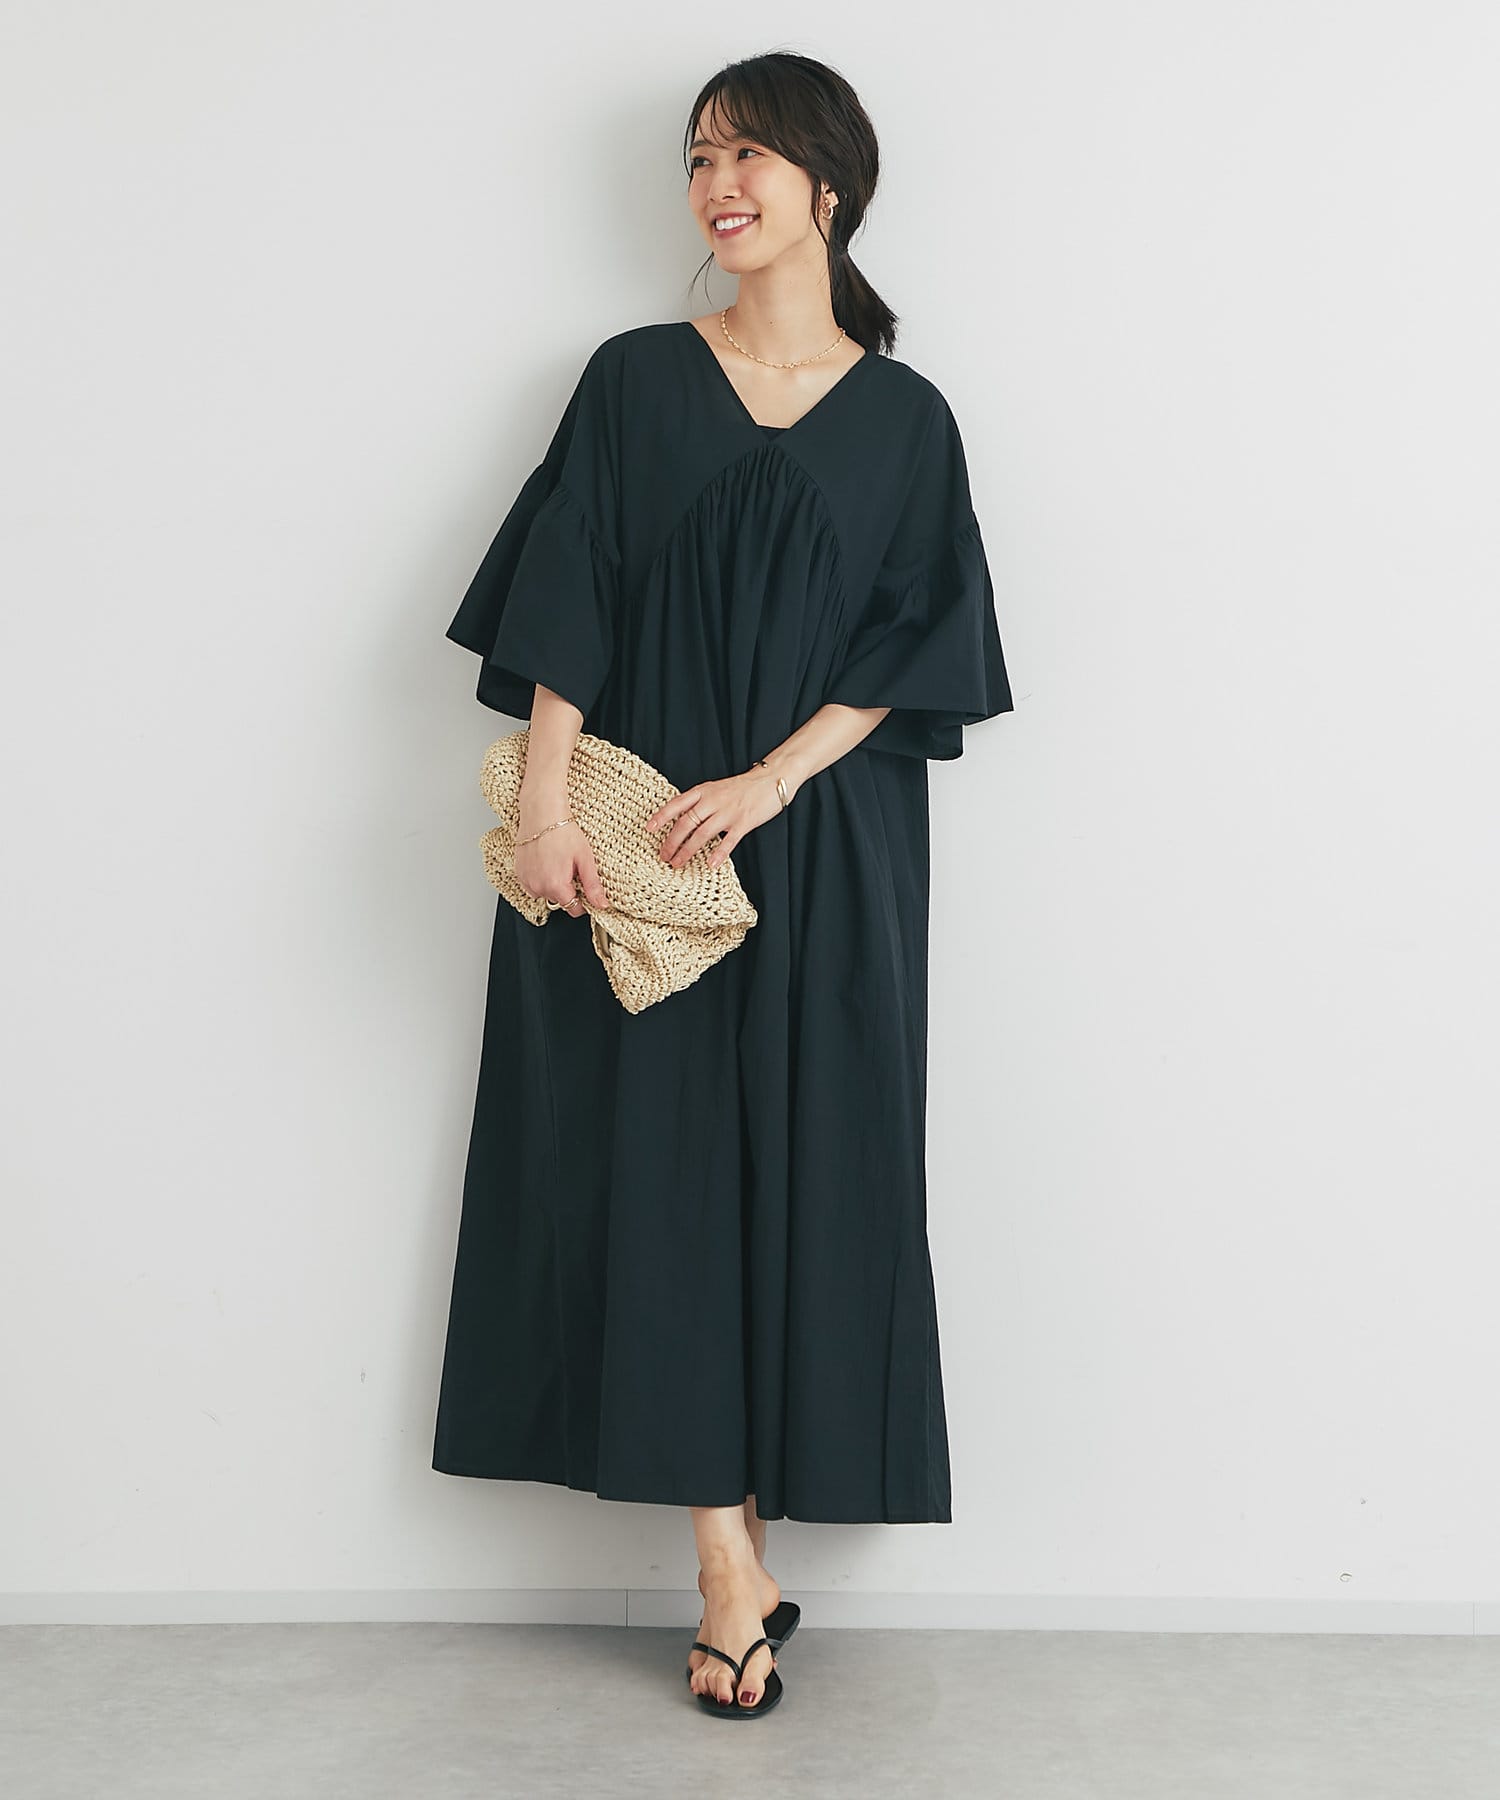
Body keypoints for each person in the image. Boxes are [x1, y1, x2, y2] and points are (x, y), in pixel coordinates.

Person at [431, 51, 1015, 1719]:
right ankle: (724, 1569)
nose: (718, 185)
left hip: (825, 839)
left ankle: (755, 1539)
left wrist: (769, 782)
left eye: (749, 155)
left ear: (831, 184)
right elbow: (570, 599)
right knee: (658, 1172)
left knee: (822, 1160)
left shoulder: (906, 417)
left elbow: (918, 647)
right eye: (699, 158)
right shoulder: (633, 380)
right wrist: (550, 812)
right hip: (638, 852)